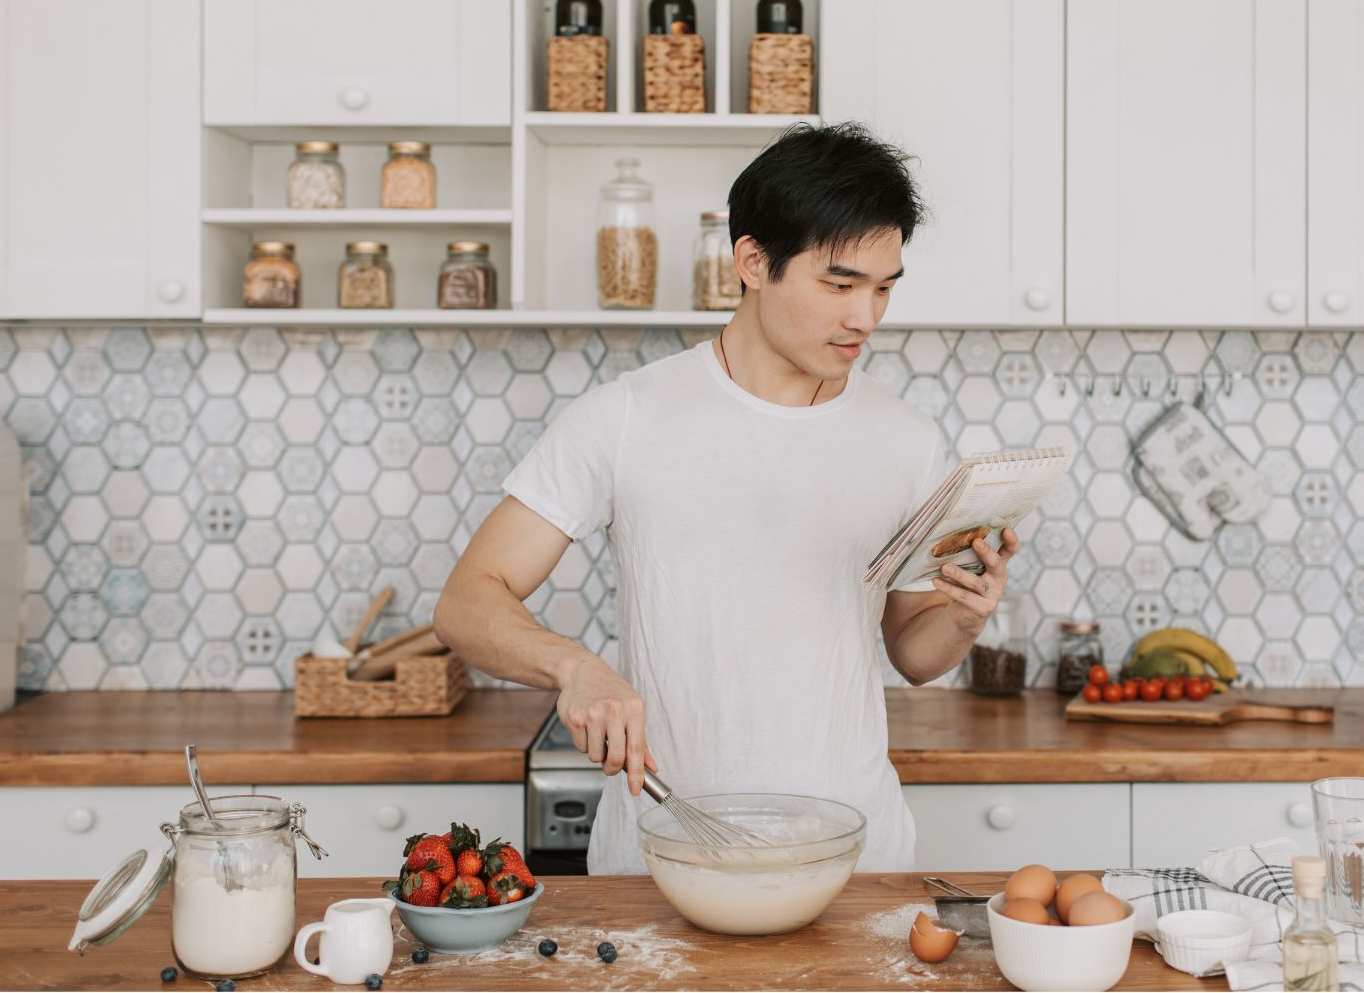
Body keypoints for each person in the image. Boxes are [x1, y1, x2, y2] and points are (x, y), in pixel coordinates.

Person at [434, 122, 1022, 874]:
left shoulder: (906, 440)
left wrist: (964, 618)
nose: (864, 318)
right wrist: (572, 667)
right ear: (752, 262)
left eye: (883, 289)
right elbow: (466, 603)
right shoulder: (627, 417)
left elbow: (914, 653)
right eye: (839, 285)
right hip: (664, 859)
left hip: (855, 860)